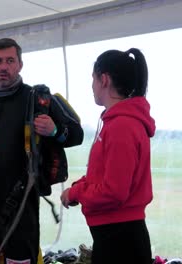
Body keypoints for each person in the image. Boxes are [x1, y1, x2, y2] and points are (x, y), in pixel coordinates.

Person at [0, 38, 83, 263]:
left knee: (19, 259)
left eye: (10, 60)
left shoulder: (37, 99)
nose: (3, 67)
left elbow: (76, 135)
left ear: (20, 64)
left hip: (21, 202)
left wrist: (55, 130)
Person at [60, 48, 154, 264]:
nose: (91, 85)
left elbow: (114, 191)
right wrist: (76, 188)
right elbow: (102, 177)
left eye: (93, 79)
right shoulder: (116, 123)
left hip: (121, 241)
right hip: (113, 237)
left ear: (104, 80)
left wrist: (77, 193)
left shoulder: (122, 125)